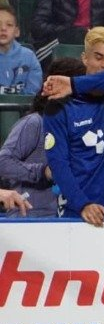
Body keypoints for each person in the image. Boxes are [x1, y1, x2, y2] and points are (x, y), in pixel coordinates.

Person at [42, 26, 104, 227]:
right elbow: (58, 164)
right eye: (98, 57)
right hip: (77, 211)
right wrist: (83, 204)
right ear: (85, 58)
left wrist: (73, 84)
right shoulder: (59, 105)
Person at [0, 57, 85, 218]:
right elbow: (3, 162)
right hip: (31, 219)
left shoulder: (81, 127)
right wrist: (43, 171)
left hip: (69, 219)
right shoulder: (35, 123)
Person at [0, 3, 42, 95]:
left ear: (17, 32)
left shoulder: (29, 57)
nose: (3, 28)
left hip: (22, 105)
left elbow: (32, 92)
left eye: (9, 25)